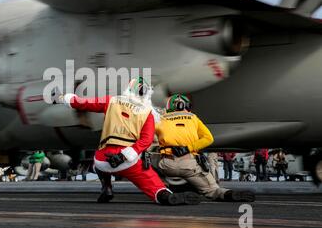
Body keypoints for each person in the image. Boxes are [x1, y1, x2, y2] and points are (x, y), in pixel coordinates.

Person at [52, 77, 201, 205]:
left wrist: (61, 98)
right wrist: (124, 156)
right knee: (155, 186)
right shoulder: (148, 113)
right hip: (129, 160)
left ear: (129, 88)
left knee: (97, 162)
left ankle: (107, 188)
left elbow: (82, 103)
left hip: (103, 159)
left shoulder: (112, 101)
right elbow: (146, 140)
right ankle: (165, 196)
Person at [155, 94, 255, 202]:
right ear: (182, 105)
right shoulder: (193, 118)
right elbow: (209, 138)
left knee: (148, 166)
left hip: (166, 165)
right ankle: (227, 194)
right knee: (212, 190)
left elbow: (147, 139)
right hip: (189, 165)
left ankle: (163, 192)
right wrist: (188, 148)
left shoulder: (160, 119)